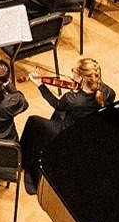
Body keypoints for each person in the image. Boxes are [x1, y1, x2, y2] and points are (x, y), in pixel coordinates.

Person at [19, 58, 113, 194]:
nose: (72, 73)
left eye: (74, 71)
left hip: (67, 131)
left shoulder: (72, 99)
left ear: (81, 78)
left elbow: (57, 105)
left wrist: (40, 85)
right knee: (58, 115)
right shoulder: (107, 91)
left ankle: (22, 159)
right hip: (86, 127)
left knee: (33, 121)